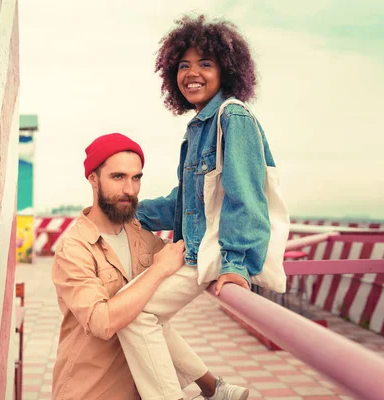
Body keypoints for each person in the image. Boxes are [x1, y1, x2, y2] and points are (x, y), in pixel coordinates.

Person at [116, 14, 275, 400]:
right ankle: (216, 390)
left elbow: (246, 196)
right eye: (184, 65)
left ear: (227, 70)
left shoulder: (232, 118)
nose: (193, 73)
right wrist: (129, 210)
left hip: (216, 254)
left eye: (205, 63)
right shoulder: (201, 126)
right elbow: (186, 200)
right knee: (134, 309)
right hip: (195, 249)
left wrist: (236, 266)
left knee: (133, 315)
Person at [51, 133, 244, 400]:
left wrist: (234, 263)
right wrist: (158, 270)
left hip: (141, 388)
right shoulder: (74, 249)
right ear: (93, 179)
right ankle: (212, 387)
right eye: (118, 177)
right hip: (92, 390)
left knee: (149, 314)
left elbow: (189, 258)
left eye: (136, 178)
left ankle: (213, 387)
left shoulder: (139, 235)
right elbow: (103, 322)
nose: (130, 189)